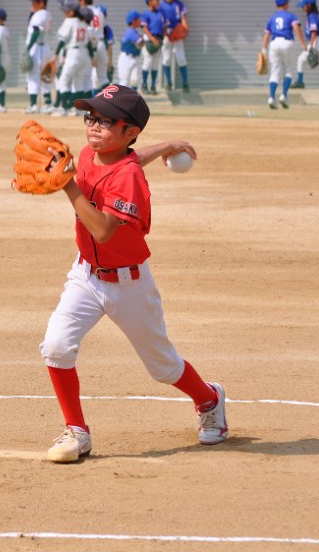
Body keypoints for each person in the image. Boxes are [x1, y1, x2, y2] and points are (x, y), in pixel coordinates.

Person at [39, 84, 227, 463]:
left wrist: (67, 184)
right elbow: (131, 156)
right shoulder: (95, 154)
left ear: (130, 132)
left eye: (106, 121)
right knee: (57, 346)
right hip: (86, 276)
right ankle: (77, 432)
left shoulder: (130, 179)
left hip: (130, 285)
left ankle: (209, 398)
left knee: (163, 367)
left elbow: (103, 230)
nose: (94, 126)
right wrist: (167, 145)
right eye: (91, 117)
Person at [261, 0, 307, 109]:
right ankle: (283, 96)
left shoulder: (272, 18)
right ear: (286, 4)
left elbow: (267, 34)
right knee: (289, 70)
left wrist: (263, 49)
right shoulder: (291, 16)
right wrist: (303, 44)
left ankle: (271, 97)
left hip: (274, 44)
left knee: (275, 72)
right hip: (287, 43)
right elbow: (296, 28)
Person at [51, 0, 93, 117]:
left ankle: (64, 109)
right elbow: (89, 43)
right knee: (79, 82)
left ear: (72, 12)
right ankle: (78, 110)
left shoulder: (69, 21)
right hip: (84, 54)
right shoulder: (83, 23)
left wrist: (56, 54)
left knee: (64, 81)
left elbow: (62, 40)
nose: (64, 12)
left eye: (66, 10)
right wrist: (92, 57)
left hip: (73, 53)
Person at [24, 0, 54, 115]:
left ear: (41, 3)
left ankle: (33, 105)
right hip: (45, 48)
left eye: (34, 1)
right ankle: (48, 105)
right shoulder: (47, 14)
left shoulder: (38, 15)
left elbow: (35, 32)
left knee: (33, 76)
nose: (31, 4)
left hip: (37, 48)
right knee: (45, 76)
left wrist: (27, 48)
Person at [159, 0, 190, 92]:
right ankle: (168, 83)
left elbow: (183, 18)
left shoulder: (178, 4)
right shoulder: (160, 5)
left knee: (181, 58)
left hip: (177, 34)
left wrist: (185, 30)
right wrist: (163, 34)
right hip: (166, 34)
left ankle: (185, 83)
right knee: (166, 58)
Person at [78, 0, 109, 91]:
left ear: (83, 0)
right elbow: (104, 27)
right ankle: (111, 98)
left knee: (85, 77)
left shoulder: (83, 12)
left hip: (89, 45)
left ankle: (87, 99)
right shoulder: (99, 12)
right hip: (101, 43)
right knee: (103, 77)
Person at [140, 0, 166, 95]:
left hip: (158, 39)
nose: (158, 1)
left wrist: (162, 38)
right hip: (149, 40)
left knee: (155, 64)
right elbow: (144, 28)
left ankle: (153, 86)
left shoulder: (161, 13)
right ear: (149, 1)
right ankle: (144, 85)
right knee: (148, 62)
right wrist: (153, 39)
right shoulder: (146, 14)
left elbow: (164, 26)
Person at [117, 11, 144, 89]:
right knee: (124, 82)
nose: (140, 21)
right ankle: (121, 97)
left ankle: (132, 97)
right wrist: (146, 31)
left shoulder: (133, 31)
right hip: (126, 59)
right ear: (133, 21)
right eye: (138, 19)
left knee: (134, 81)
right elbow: (140, 43)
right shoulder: (131, 31)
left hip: (132, 58)